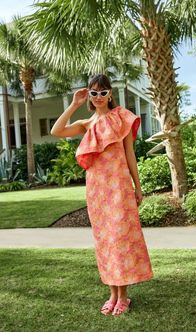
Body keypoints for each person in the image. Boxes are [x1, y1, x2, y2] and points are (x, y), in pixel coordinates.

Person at [51, 73, 154, 316]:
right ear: (89, 94)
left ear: (110, 93)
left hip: (118, 186)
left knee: (120, 240)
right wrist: (75, 104)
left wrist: (137, 187)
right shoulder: (87, 124)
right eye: (93, 92)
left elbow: (130, 155)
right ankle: (113, 294)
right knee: (105, 242)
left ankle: (124, 296)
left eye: (103, 92)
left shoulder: (122, 118)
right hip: (96, 190)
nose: (98, 97)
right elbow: (56, 131)